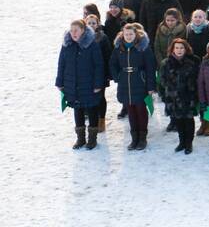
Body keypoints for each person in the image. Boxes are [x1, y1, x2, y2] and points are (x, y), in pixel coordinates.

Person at [56, 19, 106, 150]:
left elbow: (99, 65)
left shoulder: (92, 44)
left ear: (83, 31)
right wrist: (60, 82)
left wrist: (98, 84)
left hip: (89, 84)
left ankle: (92, 139)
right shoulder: (67, 45)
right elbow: (61, 64)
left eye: (76, 30)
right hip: (72, 84)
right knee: (77, 110)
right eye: (72, 31)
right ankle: (80, 138)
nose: (73, 33)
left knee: (91, 110)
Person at [109, 22, 157, 150]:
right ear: (122, 35)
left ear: (136, 34)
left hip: (140, 82)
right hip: (125, 83)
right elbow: (112, 63)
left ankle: (142, 138)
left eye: (131, 34)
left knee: (141, 110)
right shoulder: (119, 48)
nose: (128, 36)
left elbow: (150, 67)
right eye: (126, 34)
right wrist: (117, 76)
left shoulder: (143, 48)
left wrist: (151, 86)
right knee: (130, 110)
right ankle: (134, 137)